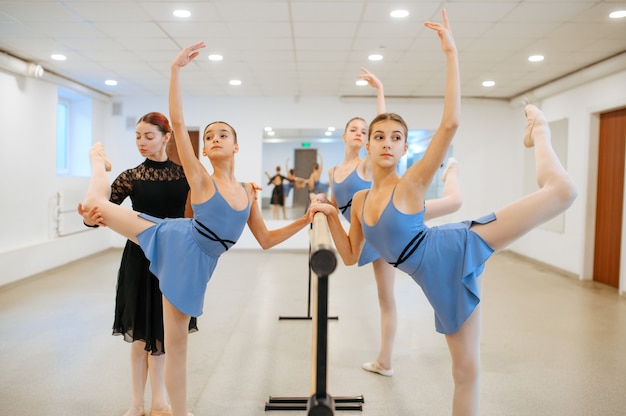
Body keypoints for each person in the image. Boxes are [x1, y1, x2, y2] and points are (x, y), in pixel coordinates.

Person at [310, 9, 577, 415]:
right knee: (465, 371)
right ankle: (536, 131)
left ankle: (538, 130)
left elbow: (450, 124)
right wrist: (330, 213)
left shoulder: (412, 183)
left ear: (404, 148)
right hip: (434, 276)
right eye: (378, 136)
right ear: (368, 146)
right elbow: (349, 257)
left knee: (563, 191)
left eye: (396, 137)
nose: (386, 142)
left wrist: (451, 52)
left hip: (455, 247)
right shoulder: (361, 201)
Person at [78, 41, 313, 416]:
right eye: (209, 137)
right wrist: (175, 69)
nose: (214, 139)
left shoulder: (248, 192)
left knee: (176, 347)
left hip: (192, 262)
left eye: (223, 135)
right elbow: (178, 118)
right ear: (202, 151)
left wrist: (304, 220)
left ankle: (170, 407)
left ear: (237, 146)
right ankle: (96, 162)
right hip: (171, 238)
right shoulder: (201, 179)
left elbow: (267, 240)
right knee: (95, 206)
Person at [326, 68, 463, 378]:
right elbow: (338, 206)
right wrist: (327, 209)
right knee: (383, 296)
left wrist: (380, 91)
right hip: (376, 221)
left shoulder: (367, 160)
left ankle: (451, 171)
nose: (361, 134)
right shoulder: (335, 171)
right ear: (345, 135)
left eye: (365, 131)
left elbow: (385, 132)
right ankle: (384, 360)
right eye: (355, 130)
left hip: (394, 213)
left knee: (454, 202)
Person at [81, 112, 196, 416]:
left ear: (166, 137)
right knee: (139, 337)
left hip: (171, 258)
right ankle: (137, 404)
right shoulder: (131, 176)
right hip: (139, 258)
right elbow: (102, 213)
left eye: (149, 136)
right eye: (137, 136)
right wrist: (88, 218)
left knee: (164, 335)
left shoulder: (185, 175)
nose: (142, 142)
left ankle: (159, 401)